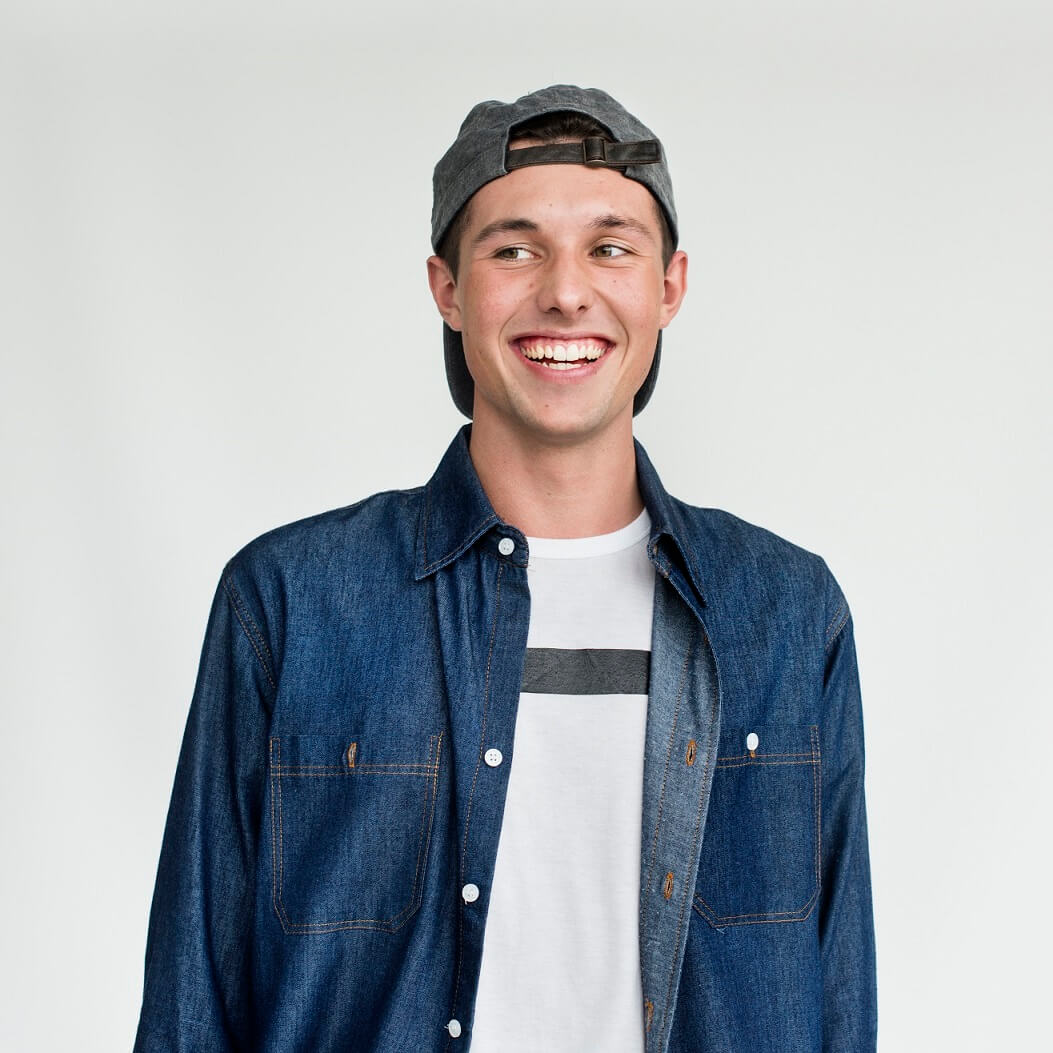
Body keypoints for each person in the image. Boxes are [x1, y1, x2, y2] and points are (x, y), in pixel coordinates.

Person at [134, 85, 876, 1053]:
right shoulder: (289, 603)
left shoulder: (786, 614)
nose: (566, 292)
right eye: (515, 249)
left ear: (670, 286)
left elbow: (839, 997)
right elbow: (191, 1001)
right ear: (447, 288)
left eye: (610, 248)